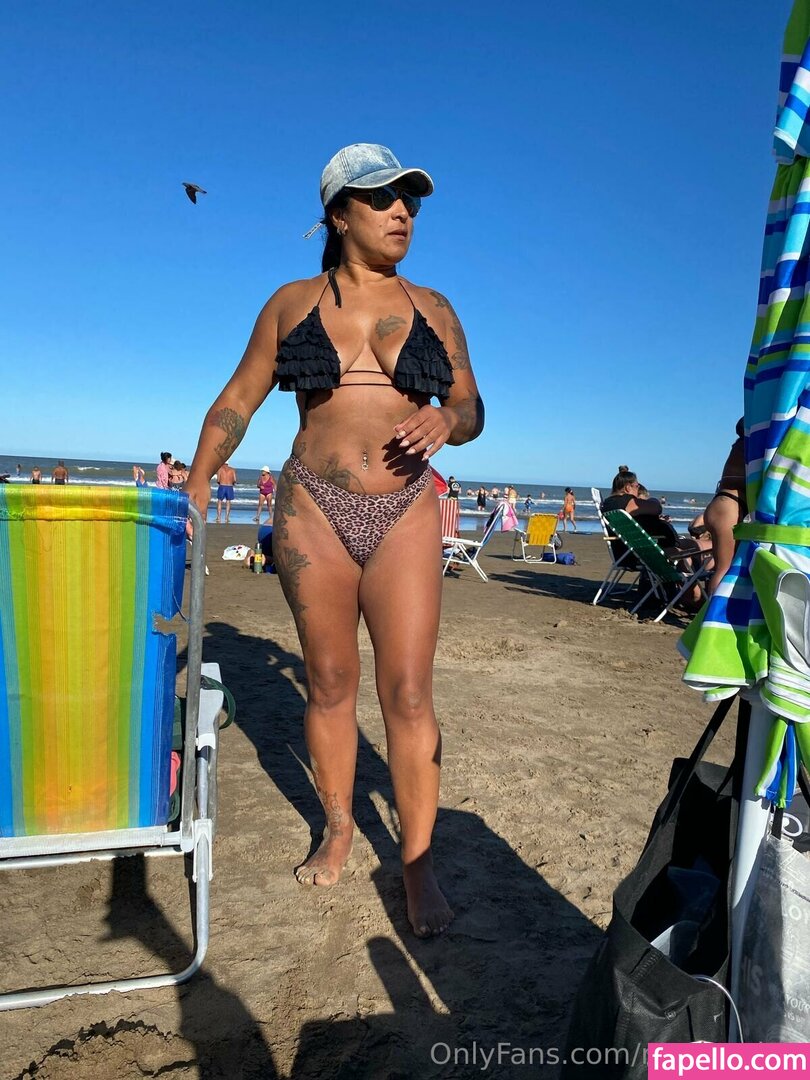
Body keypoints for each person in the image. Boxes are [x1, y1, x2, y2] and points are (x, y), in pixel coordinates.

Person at [184, 142, 484, 936]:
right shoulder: (292, 303)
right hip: (312, 506)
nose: (401, 212)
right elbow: (241, 395)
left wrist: (446, 419)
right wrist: (200, 476)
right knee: (326, 681)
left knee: (409, 692)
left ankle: (417, 863)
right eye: (382, 198)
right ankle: (340, 826)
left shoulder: (434, 306)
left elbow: (472, 408)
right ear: (338, 214)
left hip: (406, 509)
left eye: (409, 200)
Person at [704, 417, 746, 594]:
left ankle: (714, 605)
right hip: (729, 508)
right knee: (725, 569)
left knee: (721, 566)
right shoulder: (748, 447)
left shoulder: (738, 446)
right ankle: (715, 608)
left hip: (721, 504)